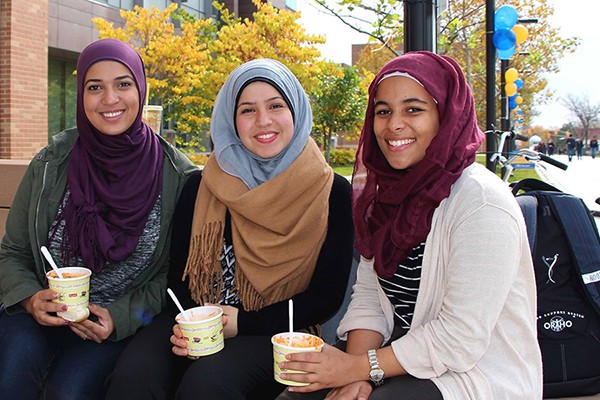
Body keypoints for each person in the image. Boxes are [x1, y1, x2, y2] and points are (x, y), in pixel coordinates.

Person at [276, 51, 542, 400]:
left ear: (445, 115)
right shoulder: (386, 197)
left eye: (413, 109)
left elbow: (460, 338)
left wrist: (359, 368)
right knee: (297, 395)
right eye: (383, 111)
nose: (394, 124)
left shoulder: (481, 202)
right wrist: (355, 374)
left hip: (474, 374)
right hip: (396, 357)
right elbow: (370, 296)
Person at [105, 58, 355, 400]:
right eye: (247, 110)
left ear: (296, 110)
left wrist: (244, 324)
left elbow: (326, 297)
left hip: (279, 331)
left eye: (276, 106)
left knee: (207, 385)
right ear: (231, 121)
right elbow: (179, 280)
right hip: (199, 319)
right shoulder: (202, 186)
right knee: (134, 377)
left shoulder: (330, 192)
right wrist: (196, 328)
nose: (263, 120)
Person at [0, 38, 197, 400]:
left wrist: (121, 318)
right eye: (95, 87)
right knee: (10, 380)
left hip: (114, 325)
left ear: (141, 88)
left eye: (123, 84)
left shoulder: (178, 177)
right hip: (40, 314)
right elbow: (11, 252)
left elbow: (173, 280)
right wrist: (29, 298)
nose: (110, 99)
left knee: (69, 392)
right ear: (81, 95)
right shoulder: (51, 162)